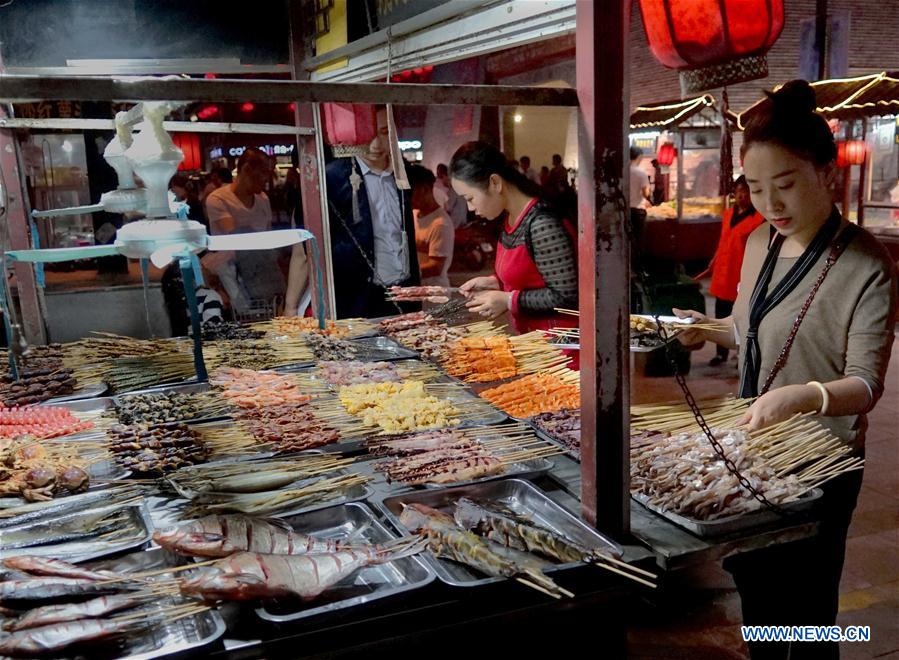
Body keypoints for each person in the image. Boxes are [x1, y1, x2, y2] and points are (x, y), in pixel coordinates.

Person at [674, 80, 898, 660]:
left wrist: (801, 397)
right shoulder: (757, 245)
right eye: (755, 188)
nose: (770, 204)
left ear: (827, 173)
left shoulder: (866, 263)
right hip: (750, 444)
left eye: (786, 185)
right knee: (757, 590)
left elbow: (866, 384)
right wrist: (710, 330)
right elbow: (752, 328)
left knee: (810, 606)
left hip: (820, 458)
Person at [450, 141, 578, 336]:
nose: (470, 208)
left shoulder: (542, 224)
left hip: (562, 348)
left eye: (470, 198)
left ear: (495, 183)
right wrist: (495, 282)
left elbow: (566, 297)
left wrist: (508, 300)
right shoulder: (511, 216)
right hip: (536, 344)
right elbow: (533, 277)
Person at [325, 106, 420, 319]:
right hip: (358, 298)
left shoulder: (403, 173)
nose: (376, 144)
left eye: (385, 133)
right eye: (368, 134)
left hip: (403, 293)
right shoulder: (335, 177)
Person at [204, 148, 284, 314]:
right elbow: (236, 235)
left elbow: (268, 237)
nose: (266, 179)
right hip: (235, 273)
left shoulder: (263, 199)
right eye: (263, 173)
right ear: (247, 170)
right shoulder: (217, 199)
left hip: (263, 270)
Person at [701, 175, 765, 366]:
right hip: (723, 271)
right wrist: (713, 260)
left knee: (742, 315)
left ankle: (742, 353)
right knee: (720, 313)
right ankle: (721, 353)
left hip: (742, 273)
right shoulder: (728, 214)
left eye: (745, 192)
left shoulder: (760, 219)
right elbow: (723, 240)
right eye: (738, 192)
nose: (741, 196)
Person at [408, 164, 454, 288]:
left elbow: (436, 267)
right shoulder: (413, 214)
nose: (407, 198)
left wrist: (404, 274)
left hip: (434, 295)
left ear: (424, 189)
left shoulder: (440, 224)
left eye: (410, 192)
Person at [629, 146, 651, 269]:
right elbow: (645, 193)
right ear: (640, 157)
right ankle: (638, 266)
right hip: (638, 210)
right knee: (639, 239)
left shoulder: (623, 171)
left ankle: (628, 264)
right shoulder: (640, 173)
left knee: (628, 238)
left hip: (625, 210)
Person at [433, 162, 468, 228]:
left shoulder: (452, 190)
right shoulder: (458, 187)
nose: (442, 183)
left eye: (441, 179)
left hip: (455, 223)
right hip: (463, 221)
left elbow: (448, 208)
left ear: (444, 176)